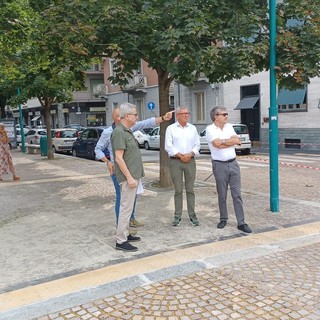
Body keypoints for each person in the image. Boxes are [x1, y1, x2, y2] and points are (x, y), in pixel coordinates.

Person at [95, 107, 173, 230]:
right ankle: (121, 226)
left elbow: (146, 123)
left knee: (132, 196)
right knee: (121, 198)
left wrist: (163, 118)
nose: (118, 117)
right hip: (118, 170)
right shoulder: (109, 132)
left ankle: (130, 219)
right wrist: (107, 162)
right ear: (115, 117)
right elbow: (98, 149)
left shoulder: (128, 128)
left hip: (131, 169)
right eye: (116, 115)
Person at [205, 106, 252, 233]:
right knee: (222, 193)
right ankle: (223, 218)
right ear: (216, 116)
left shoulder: (229, 126)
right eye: (224, 114)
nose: (226, 116)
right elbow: (216, 144)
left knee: (237, 194)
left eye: (227, 114)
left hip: (233, 163)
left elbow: (237, 140)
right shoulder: (210, 129)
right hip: (219, 165)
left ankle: (241, 222)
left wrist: (224, 141)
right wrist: (229, 142)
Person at [165, 106, 200, 227]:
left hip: (190, 160)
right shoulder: (171, 129)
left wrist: (190, 154)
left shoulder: (193, 128)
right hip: (176, 161)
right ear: (177, 115)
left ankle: (192, 215)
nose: (186, 115)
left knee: (190, 190)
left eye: (187, 113)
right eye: (183, 113)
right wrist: (180, 155)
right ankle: (177, 216)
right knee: (178, 190)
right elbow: (168, 146)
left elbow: (197, 144)